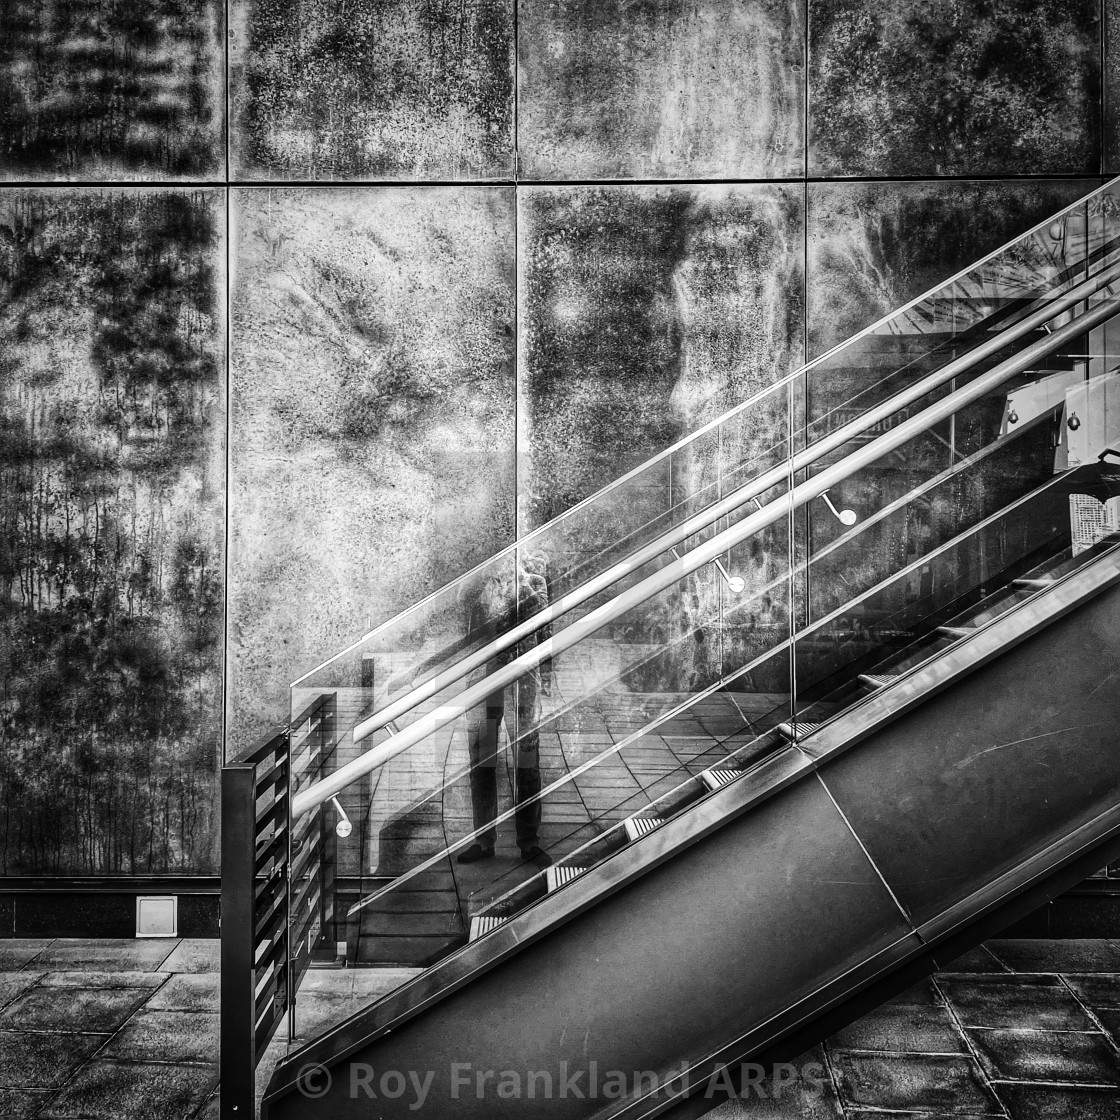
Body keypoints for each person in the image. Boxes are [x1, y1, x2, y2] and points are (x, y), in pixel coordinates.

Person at [457, 550, 554, 870]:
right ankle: (484, 839)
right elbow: (471, 629)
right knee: (481, 762)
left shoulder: (534, 583)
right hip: (484, 682)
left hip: (523, 681)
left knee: (527, 759)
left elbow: (541, 624)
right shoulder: (477, 587)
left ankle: (529, 840)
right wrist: (490, 587)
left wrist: (518, 582)